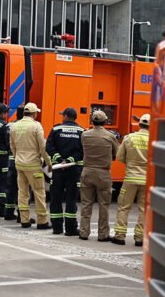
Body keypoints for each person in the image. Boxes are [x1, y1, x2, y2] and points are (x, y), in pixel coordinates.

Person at [78, 110, 119, 241]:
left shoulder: (85, 135)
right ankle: (103, 234)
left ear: (92, 121)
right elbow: (116, 154)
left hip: (87, 171)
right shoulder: (110, 136)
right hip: (103, 173)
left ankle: (84, 232)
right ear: (105, 121)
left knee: (85, 203)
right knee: (104, 204)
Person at [10, 101, 50, 230]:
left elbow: (12, 146)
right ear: (33, 114)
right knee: (39, 192)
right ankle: (42, 221)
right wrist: (48, 162)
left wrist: (17, 157)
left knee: (22, 193)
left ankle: (24, 220)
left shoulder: (15, 126)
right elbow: (43, 147)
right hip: (33, 165)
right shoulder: (36, 126)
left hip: (20, 164)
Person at [45, 107, 84, 236]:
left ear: (66, 116)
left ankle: (57, 227)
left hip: (58, 170)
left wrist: (60, 159)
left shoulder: (56, 129)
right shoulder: (81, 131)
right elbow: (82, 151)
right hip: (74, 170)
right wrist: (69, 160)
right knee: (71, 199)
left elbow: (49, 147)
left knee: (56, 198)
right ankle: (70, 228)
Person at [114, 113, 151, 246]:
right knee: (144, 209)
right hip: (147, 180)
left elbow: (119, 157)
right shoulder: (154, 140)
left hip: (130, 178)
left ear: (139, 124)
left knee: (124, 207)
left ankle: (119, 236)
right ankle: (140, 238)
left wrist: (130, 164)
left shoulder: (129, 138)